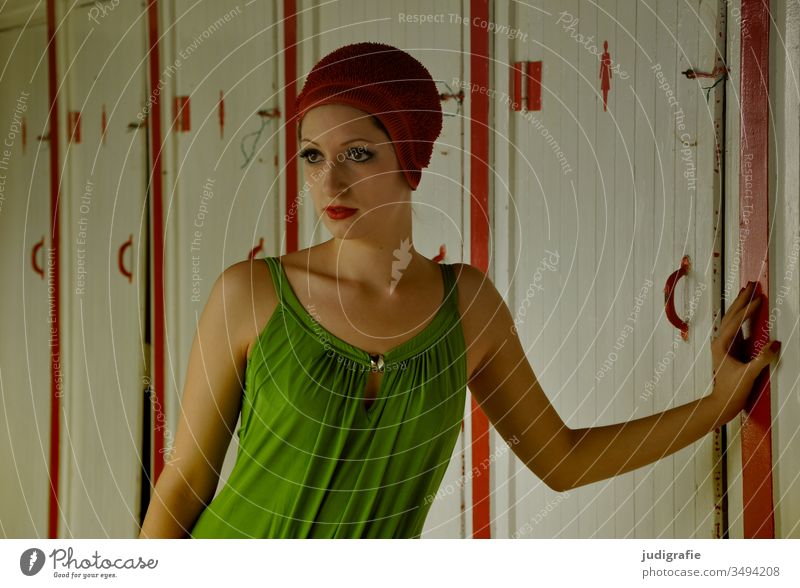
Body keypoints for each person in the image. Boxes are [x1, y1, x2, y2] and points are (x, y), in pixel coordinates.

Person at [138, 42, 781, 539]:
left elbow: (561, 461)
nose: (328, 183)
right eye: (311, 156)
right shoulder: (251, 294)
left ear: (410, 154)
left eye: (356, 154)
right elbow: (187, 481)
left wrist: (716, 406)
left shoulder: (469, 306)